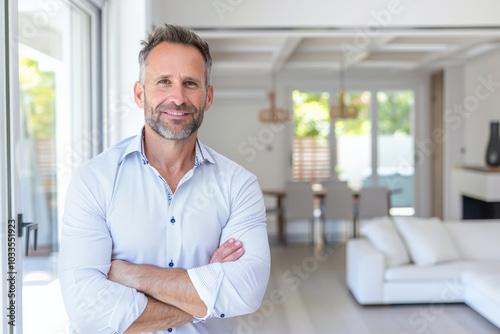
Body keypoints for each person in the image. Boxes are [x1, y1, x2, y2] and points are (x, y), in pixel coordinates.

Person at [58, 23, 271, 333]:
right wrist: (206, 295)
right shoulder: (95, 180)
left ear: (208, 97)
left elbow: (245, 292)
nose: (177, 97)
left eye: (190, 83)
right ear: (139, 93)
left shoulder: (239, 185)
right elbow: (87, 310)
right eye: (163, 82)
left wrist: (132, 276)